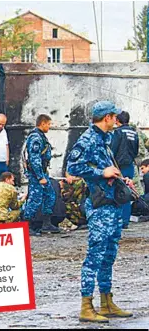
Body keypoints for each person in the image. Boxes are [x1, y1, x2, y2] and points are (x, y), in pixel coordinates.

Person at [67, 100, 133, 323]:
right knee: (95, 256)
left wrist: (120, 179)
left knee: (109, 255)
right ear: (107, 118)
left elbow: (106, 170)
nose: (116, 120)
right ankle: (87, 305)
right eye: (114, 116)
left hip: (111, 203)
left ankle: (106, 301)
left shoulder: (105, 139)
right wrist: (101, 172)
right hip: (99, 206)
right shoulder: (88, 139)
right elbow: (72, 167)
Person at [23, 114, 60, 236]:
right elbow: (34, 159)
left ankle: (46, 223)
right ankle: (26, 225)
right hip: (37, 175)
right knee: (35, 199)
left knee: (50, 195)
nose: (49, 127)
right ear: (43, 123)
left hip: (42, 173)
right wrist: (40, 177)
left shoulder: (41, 137)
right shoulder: (35, 138)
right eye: (48, 124)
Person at [111, 111, 139, 229]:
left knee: (115, 193)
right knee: (127, 193)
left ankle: (117, 220)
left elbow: (112, 150)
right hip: (129, 166)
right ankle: (125, 221)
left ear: (117, 121)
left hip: (118, 167)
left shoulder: (117, 132)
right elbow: (136, 151)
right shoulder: (134, 133)